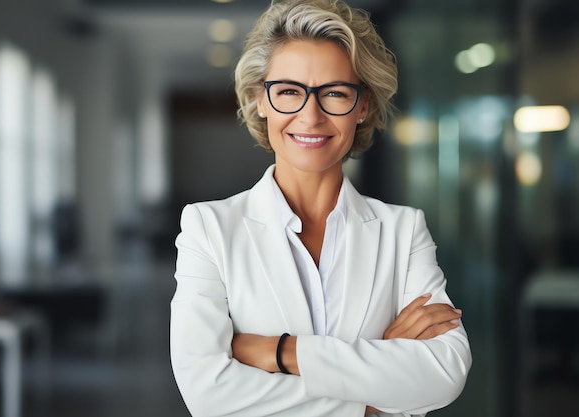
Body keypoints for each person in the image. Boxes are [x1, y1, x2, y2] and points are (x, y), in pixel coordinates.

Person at [170, 1, 472, 416]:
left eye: (334, 93)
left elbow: (445, 370)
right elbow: (206, 392)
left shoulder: (403, 231)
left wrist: (281, 352)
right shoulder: (209, 228)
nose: (310, 116)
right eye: (289, 92)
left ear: (362, 106)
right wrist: (371, 397)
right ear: (261, 99)